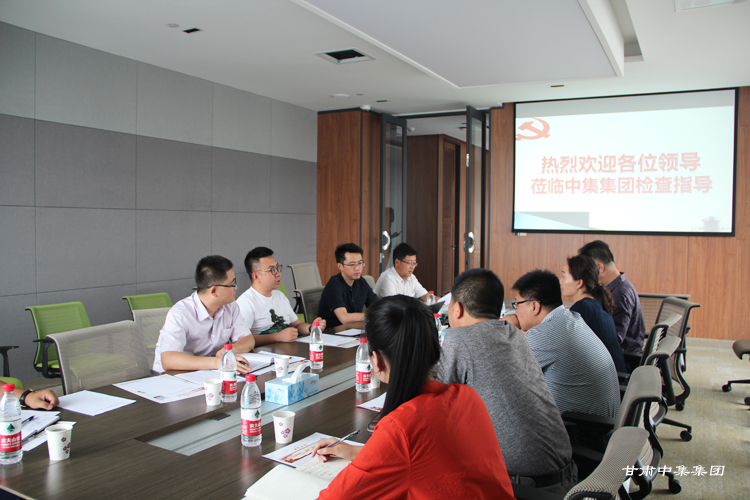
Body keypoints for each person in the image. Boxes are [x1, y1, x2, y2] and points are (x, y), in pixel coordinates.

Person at [312, 296, 515, 500]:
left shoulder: (400, 427)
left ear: (377, 360)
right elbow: (428, 456)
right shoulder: (467, 396)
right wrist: (362, 453)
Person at [437, 269, 575, 494]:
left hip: (525, 488)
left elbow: (436, 404)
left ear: (457, 309)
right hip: (565, 477)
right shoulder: (513, 334)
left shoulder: (458, 338)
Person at [512, 269, 620, 418]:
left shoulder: (543, 334)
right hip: (602, 422)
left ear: (534, 306)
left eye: (517, 305)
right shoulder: (571, 318)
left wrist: (506, 329)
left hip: (579, 427)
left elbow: (507, 378)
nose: (515, 312)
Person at [153, 255, 255, 373]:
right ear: (214, 290)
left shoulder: (231, 307)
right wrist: (217, 362)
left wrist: (229, 351)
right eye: (232, 284)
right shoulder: (180, 313)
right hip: (171, 375)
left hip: (207, 372)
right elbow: (168, 359)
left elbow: (248, 340)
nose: (236, 288)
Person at [236, 247, 325, 346]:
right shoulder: (246, 302)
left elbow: (297, 325)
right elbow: (243, 340)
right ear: (256, 276)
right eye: (272, 270)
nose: (278, 274)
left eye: (278, 268)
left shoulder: (279, 296)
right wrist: (277, 337)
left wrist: (312, 328)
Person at [560, 255, 627, 373]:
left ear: (579, 283)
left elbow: (561, 346)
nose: (560, 281)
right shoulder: (595, 303)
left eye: (564, 277)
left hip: (607, 380)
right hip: (615, 376)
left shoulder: (582, 308)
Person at [579, 240, 646, 356]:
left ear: (599, 268)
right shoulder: (619, 287)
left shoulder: (620, 293)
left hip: (624, 358)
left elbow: (614, 339)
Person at [317, 243, 378, 328]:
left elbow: (377, 305)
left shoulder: (361, 282)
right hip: (333, 332)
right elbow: (344, 318)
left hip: (354, 330)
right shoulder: (334, 285)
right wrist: (371, 316)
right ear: (340, 266)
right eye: (352, 264)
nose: (357, 268)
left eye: (360, 263)